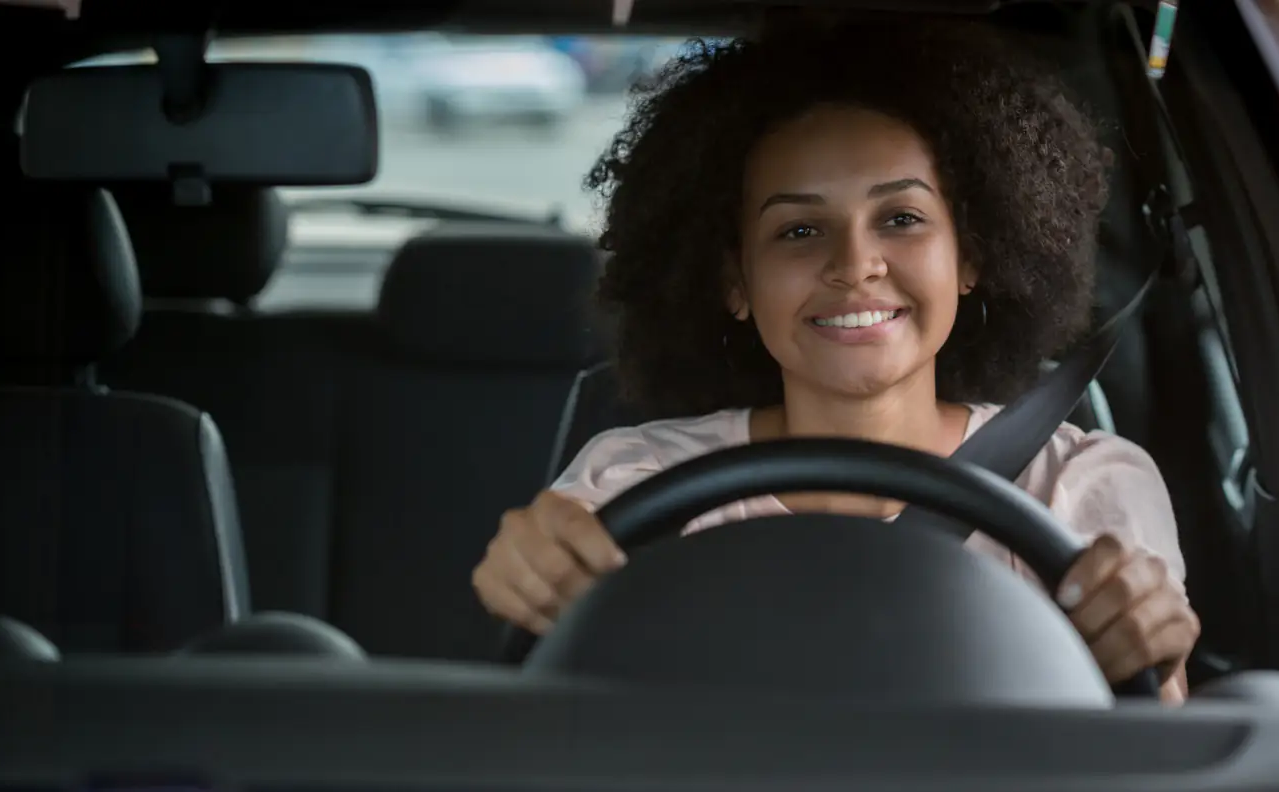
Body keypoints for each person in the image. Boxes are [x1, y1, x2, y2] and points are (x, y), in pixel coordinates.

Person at [471, 18, 1200, 702]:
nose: (855, 265)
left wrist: (1152, 654)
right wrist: (533, 572)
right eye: (798, 230)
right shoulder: (637, 484)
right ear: (735, 283)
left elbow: (1155, 741)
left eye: (901, 219)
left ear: (971, 258)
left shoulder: (1081, 487)